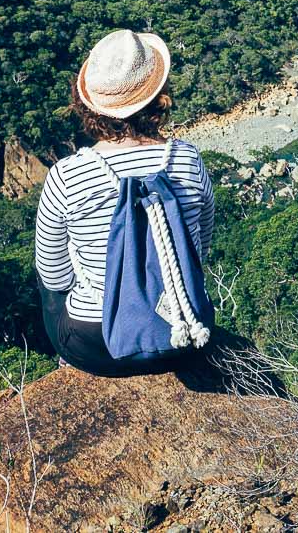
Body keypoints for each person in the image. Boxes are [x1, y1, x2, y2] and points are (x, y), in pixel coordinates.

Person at [34, 29, 216, 376]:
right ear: (158, 97)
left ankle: (68, 359)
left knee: (47, 287)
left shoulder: (67, 175)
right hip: (184, 335)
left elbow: (55, 276)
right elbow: (199, 250)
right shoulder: (187, 158)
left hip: (97, 346)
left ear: (90, 105)